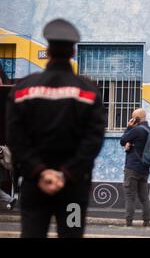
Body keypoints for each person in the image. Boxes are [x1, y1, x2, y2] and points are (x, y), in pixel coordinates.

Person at [6, 19, 105, 238]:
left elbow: (15, 137)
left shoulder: (23, 89)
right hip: (74, 186)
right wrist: (66, 174)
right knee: (72, 235)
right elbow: (93, 141)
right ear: (73, 53)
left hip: (34, 185)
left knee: (32, 234)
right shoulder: (88, 91)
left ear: (48, 50)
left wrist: (40, 171)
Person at [119, 108, 150, 227]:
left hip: (132, 168)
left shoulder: (136, 130)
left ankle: (128, 223)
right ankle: (147, 222)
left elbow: (122, 140)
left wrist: (129, 127)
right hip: (145, 169)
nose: (132, 119)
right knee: (144, 197)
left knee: (130, 196)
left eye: (133, 117)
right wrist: (131, 145)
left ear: (137, 118)